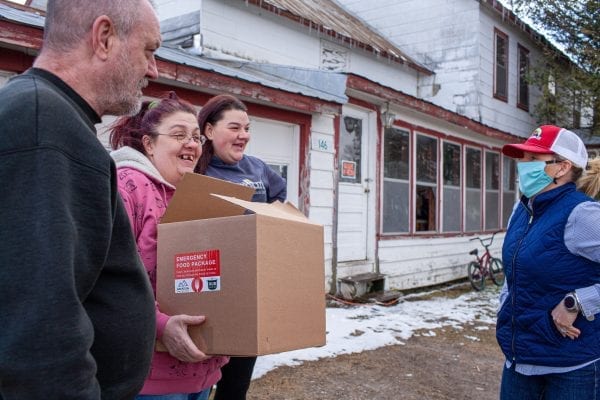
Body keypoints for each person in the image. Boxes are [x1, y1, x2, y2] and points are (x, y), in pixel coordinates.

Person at [0, 0, 161, 398]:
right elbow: (38, 327)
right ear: (104, 37)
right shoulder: (44, 127)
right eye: (149, 50)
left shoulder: (49, 117)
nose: (153, 70)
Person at [110, 92, 229, 400]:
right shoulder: (128, 187)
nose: (191, 144)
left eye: (196, 137)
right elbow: (109, 280)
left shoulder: (196, 195)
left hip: (202, 368)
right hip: (149, 377)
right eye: (179, 135)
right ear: (149, 144)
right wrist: (161, 325)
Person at [497, 125, 600, 399]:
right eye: (523, 158)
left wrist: (578, 301)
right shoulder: (522, 210)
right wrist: (505, 302)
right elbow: (515, 271)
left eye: (533, 159)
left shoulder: (583, 214)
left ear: (562, 167)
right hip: (519, 361)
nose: (523, 165)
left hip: (571, 367)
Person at [195, 94, 287, 400]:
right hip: (205, 288)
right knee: (196, 382)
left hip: (249, 292)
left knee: (235, 388)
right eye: (234, 127)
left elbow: (279, 199)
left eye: (247, 128)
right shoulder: (195, 167)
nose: (244, 135)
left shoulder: (257, 168)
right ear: (209, 130)